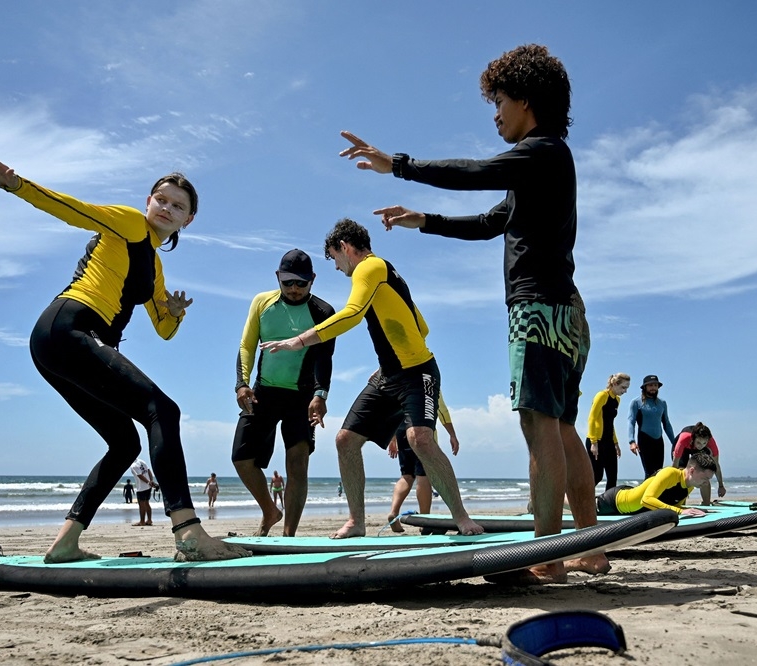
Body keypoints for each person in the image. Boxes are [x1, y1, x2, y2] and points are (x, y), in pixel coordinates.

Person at [338, 43, 607, 581]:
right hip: (568, 313)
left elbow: (477, 172)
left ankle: (548, 558)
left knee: (540, 428)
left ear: (526, 100)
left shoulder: (541, 151)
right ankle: (591, 548)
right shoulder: (546, 163)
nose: (495, 113)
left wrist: (399, 166)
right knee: (563, 429)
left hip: (537, 309)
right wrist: (426, 221)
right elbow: (490, 221)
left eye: (501, 101)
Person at [0, 155, 246, 563]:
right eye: (162, 200)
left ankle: (65, 542)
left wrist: (175, 313)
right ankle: (188, 532)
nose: (167, 209)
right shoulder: (129, 223)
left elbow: (164, 331)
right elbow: (74, 210)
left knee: (124, 442)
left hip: (58, 342)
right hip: (71, 325)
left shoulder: (154, 267)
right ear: (148, 201)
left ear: (188, 220)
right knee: (162, 410)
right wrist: (15, 184)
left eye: (178, 206)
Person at [260, 219, 482, 539]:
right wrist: (390, 361)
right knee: (345, 440)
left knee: (419, 439)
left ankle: (462, 518)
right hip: (390, 375)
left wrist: (299, 340)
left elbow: (352, 313)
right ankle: (356, 521)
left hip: (417, 372)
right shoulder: (387, 273)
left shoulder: (369, 268)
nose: (337, 267)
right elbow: (420, 325)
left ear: (345, 248)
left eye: (335, 258)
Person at [231, 250, 335, 536]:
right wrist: (241, 383)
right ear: (278, 277)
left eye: (301, 283)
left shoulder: (324, 313)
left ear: (312, 280)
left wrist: (320, 395)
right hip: (263, 393)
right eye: (288, 282)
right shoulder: (262, 302)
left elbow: (324, 358)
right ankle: (270, 510)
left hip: (302, 398)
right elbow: (246, 346)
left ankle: (289, 535)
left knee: (298, 462)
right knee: (241, 459)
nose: (294, 289)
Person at [386, 391, 460, 532]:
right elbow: (442, 409)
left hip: (402, 430)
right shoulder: (428, 380)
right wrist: (452, 434)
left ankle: (393, 512)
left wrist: (393, 437)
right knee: (424, 476)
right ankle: (425, 520)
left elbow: (392, 409)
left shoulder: (402, 381)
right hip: (422, 430)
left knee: (406, 475)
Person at [596, 450, 717, 517]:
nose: (706, 483)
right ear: (692, 470)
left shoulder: (690, 486)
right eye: (705, 478)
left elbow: (674, 506)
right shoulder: (670, 474)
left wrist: (689, 510)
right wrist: (681, 511)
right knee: (579, 508)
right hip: (613, 502)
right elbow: (647, 500)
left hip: (631, 506)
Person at [627, 375, 676, 479]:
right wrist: (631, 441)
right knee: (649, 473)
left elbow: (667, 424)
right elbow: (631, 421)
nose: (653, 388)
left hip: (658, 441)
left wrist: (675, 443)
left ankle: (656, 495)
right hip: (644, 440)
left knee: (658, 473)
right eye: (650, 385)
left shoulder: (662, 403)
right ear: (645, 387)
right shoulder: (636, 402)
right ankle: (646, 495)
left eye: (655, 385)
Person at [587, 374, 630, 492]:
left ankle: (607, 505)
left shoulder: (617, 400)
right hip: (597, 440)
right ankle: (581, 499)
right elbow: (592, 418)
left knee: (612, 476)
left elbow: (610, 423)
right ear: (615, 384)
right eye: (623, 387)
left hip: (609, 441)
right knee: (597, 475)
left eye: (626, 388)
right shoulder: (602, 396)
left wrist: (616, 443)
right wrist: (593, 442)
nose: (625, 391)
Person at [671, 423, 727, 505]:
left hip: (696, 447)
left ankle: (706, 504)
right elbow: (674, 467)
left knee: (704, 475)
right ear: (694, 439)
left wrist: (721, 486)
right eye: (699, 443)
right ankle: (681, 504)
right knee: (682, 473)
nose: (701, 446)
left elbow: (716, 466)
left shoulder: (711, 443)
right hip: (685, 447)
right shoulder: (684, 439)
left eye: (704, 443)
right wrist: (676, 486)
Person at [129, 458, 158, 526]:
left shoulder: (133, 465)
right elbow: (148, 471)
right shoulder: (141, 461)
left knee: (141, 504)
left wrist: (148, 482)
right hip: (148, 487)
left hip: (141, 487)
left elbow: (139, 476)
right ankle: (149, 520)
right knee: (146, 503)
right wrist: (151, 481)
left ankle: (142, 521)